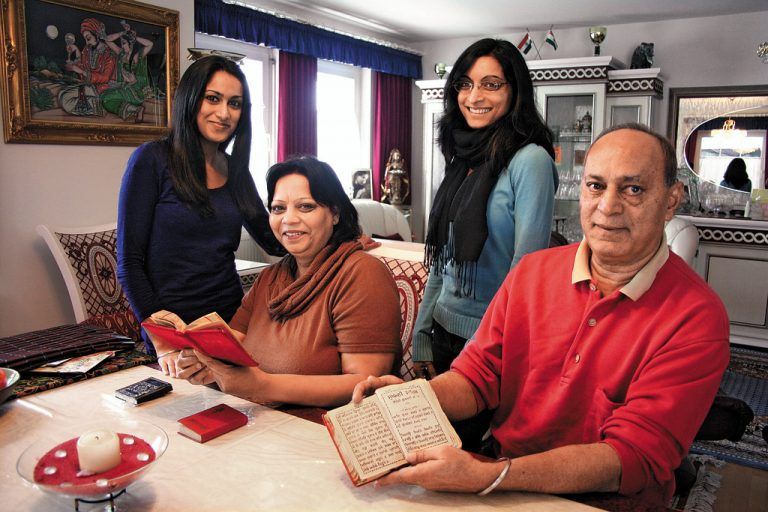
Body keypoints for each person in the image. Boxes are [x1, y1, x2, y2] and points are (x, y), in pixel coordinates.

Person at [353, 124, 730, 505]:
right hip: (505, 478)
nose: (608, 206)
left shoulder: (696, 316)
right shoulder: (533, 272)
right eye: (596, 186)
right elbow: (478, 376)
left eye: (633, 189)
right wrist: (411, 399)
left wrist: (488, 476)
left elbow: (632, 456)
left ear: (671, 200)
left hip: (605, 501)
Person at [411, 38, 557, 450]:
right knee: (433, 452)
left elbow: (525, 269)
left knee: (465, 459)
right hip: (443, 332)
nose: (474, 96)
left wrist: (483, 347)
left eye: (491, 84)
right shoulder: (463, 157)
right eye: (465, 84)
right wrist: (422, 335)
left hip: (490, 344)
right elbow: (443, 259)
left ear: (514, 92)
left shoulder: (530, 161)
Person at [174, 157, 402, 407]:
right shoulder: (269, 278)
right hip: (260, 417)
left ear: (335, 214)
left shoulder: (362, 274)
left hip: (319, 425)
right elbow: (232, 347)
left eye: (305, 207)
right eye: (278, 208)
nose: (288, 219)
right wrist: (206, 364)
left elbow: (365, 385)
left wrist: (262, 385)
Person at [117, 56, 284, 372]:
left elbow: (273, 240)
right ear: (191, 99)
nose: (224, 113)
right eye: (213, 98)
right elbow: (129, 263)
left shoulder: (235, 169)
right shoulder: (151, 159)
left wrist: (336, 235)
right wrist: (163, 340)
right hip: (173, 334)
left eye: (234, 103)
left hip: (229, 325)